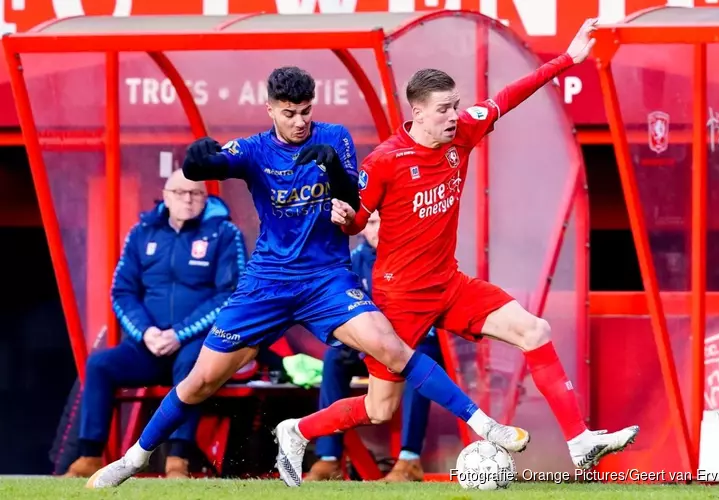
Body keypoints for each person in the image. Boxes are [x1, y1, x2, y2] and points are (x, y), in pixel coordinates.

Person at [86, 66, 526, 490]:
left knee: (393, 349)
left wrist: (333, 168)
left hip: (326, 279)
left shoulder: (334, 138)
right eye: (289, 113)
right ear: (271, 110)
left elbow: (355, 202)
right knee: (201, 380)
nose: (299, 122)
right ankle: (133, 460)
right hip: (267, 284)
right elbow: (215, 165)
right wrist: (199, 163)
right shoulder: (256, 149)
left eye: (306, 112)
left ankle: (484, 425)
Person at [275, 18, 639, 480]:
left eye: (457, 106)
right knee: (380, 407)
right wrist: (344, 217)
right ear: (419, 113)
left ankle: (581, 441)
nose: (455, 116)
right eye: (445, 109)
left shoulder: (462, 134)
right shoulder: (385, 161)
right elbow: (357, 221)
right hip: (400, 299)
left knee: (535, 330)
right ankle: (299, 430)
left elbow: (508, 96)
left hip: (449, 283)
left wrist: (567, 59)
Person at [64, 169, 247, 479]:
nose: (188, 199)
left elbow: (230, 295)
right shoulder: (142, 232)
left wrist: (180, 333)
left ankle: (178, 460)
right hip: (147, 344)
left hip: (196, 343)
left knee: (193, 365)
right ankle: (89, 456)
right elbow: (122, 291)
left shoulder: (225, 233)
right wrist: (146, 333)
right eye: (180, 192)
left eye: (196, 193)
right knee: (100, 364)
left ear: (205, 198)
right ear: (165, 196)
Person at [307, 210, 444, 482]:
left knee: (423, 360)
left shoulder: (416, 256)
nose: (377, 230)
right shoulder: (352, 263)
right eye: (371, 223)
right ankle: (329, 458)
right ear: (360, 229)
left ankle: (409, 459)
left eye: (384, 221)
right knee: (334, 359)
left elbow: (430, 312)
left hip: (411, 343)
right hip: (368, 347)